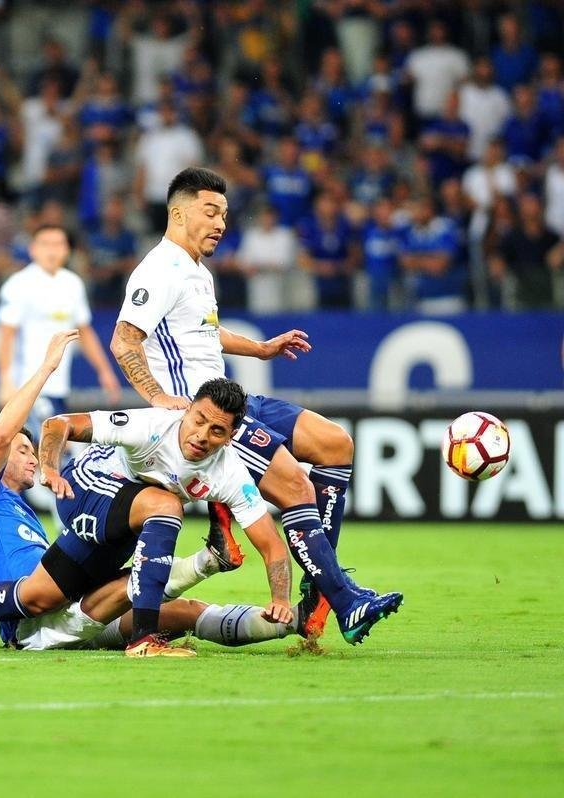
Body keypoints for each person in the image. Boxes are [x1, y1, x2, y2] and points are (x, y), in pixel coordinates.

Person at [108, 167, 400, 635]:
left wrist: (261, 348)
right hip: (208, 418)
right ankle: (344, 601)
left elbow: (203, 332)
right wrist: (159, 398)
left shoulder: (195, 270)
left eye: (224, 213)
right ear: (178, 212)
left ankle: (318, 585)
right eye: (210, 211)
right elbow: (125, 340)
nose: (221, 223)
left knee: (335, 444)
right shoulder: (159, 269)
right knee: (298, 491)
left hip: (233, 397)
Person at [0, 376, 322, 656]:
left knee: (180, 610)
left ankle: (286, 620)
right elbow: (43, 428)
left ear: (230, 436)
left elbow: (271, 542)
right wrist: (47, 457)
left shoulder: (229, 472)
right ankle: (178, 598)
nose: (202, 434)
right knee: (160, 514)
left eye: (217, 430)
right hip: (85, 505)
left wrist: (279, 596)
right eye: (198, 419)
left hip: (76, 578)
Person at [0, 224, 121, 437]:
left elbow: (84, 332)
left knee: (48, 450)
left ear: (66, 250)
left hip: (59, 385)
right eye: (45, 244)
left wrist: (104, 370)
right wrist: (5, 380)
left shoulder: (73, 284)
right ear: (33, 249)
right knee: (50, 444)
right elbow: (6, 335)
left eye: (58, 244)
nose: (52, 250)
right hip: (27, 384)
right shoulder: (18, 285)